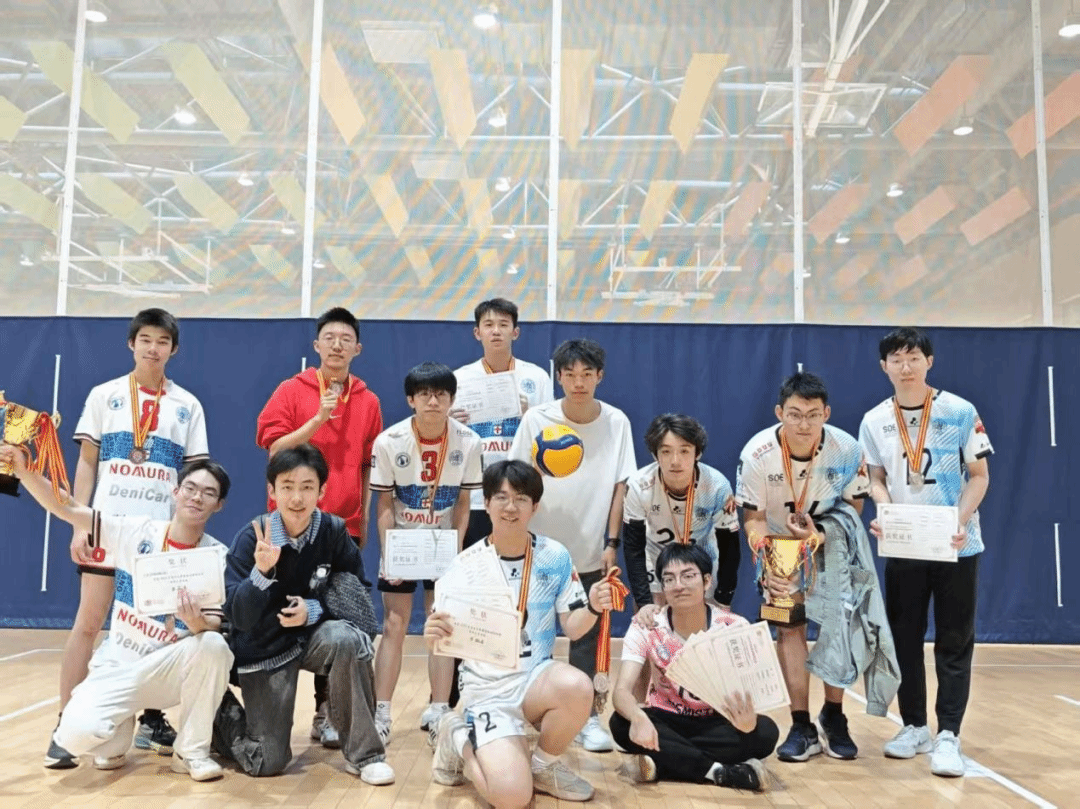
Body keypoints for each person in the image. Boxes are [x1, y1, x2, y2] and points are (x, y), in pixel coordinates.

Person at [1, 444, 232, 781]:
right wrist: (24, 472)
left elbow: (212, 624)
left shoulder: (216, 556)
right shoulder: (135, 532)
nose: (197, 497)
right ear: (176, 491)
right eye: (191, 488)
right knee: (77, 737)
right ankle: (118, 727)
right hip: (119, 667)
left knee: (213, 646)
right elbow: (68, 507)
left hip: (166, 670)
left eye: (208, 493)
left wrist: (197, 622)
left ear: (219, 505)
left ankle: (191, 752)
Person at [47, 308, 210, 770]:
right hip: (107, 529)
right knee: (88, 622)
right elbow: (86, 462)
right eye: (145, 340)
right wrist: (80, 524)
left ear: (173, 349)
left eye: (162, 341)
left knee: (159, 631)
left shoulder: (188, 405)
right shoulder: (106, 395)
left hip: (158, 540)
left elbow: (194, 476)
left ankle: (151, 720)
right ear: (131, 344)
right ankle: (64, 727)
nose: (153, 348)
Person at [425, 460, 615, 806]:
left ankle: (543, 766)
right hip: (488, 692)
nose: (510, 507)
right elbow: (445, 639)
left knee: (577, 686)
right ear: (486, 503)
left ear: (535, 507)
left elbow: (573, 629)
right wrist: (433, 634)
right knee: (512, 798)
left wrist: (592, 607)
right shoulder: (465, 565)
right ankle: (457, 739)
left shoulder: (554, 557)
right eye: (501, 497)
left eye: (521, 499)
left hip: (534, 681)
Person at [213, 444, 393, 784]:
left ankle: (366, 756)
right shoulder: (251, 538)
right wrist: (261, 573)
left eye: (307, 487)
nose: (297, 498)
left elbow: (357, 592)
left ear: (321, 491)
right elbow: (238, 617)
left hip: (313, 638)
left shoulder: (333, 532)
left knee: (348, 639)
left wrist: (314, 610)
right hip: (264, 648)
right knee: (266, 761)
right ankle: (215, 710)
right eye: (287, 487)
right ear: (272, 491)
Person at [859, 327, 992, 778]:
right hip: (905, 544)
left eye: (913, 357)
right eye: (896, 359)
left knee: (954, 640)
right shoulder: (874, 419)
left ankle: (948, 734)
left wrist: (959, 519)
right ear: (884, 367)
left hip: (956, 544)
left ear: (929, 361)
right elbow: (875, 478)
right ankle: (914, 725)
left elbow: (979, 475)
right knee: (905, 638)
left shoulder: (960, 410)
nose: (906, 366)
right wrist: (885, 510)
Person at [255, 306, 382, 747]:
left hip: (342, 529)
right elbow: (275, 449)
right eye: (329, 337)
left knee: (339, 614)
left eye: (346, 339)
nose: (337, 345)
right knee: (285, 608)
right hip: (290, 525)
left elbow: (366, 467)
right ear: (316, 345)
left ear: (357, 348)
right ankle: (272, 707)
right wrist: (317, 421)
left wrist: (362, 519)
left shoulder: (368, 400)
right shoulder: (292, 390)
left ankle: (328, 711)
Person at [507, 338, 636, 753]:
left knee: (588, 636)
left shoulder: (616, 422)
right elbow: (517, 481)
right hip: (538, 549)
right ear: (558, 377)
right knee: (528, 630)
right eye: (570, 374)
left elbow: (620, 487)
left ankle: (588, 719)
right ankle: (520, 707)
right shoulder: (537, 420)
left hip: (590, 548)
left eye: (587, 374)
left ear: (600, 377)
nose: (578, 382)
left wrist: (611, 541)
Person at [735, 372, 869, 762]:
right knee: (789, 628)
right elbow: (753, 518)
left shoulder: (847, 449)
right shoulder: (757, 453)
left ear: (826, 413)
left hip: (830, 540)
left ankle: (835, 715)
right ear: (780, 413)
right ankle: (801, 724)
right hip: (780, 545)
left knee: (836, 627)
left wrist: (818, 536)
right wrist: (768, 559)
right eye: (795, 414)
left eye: (812, 415)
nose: (804, 424)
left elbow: (854, 509)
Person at [447, 297, 553, 710]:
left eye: (503, 324)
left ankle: (522, 680)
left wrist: (531, 417)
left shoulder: (535, 378)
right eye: (488, 324)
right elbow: (447, 440)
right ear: (477, 333)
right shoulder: (460, 379)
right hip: (476, 499)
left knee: (519, 589)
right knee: (473, 590)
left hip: (518, 500)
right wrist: (452, 423)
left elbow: (549, 437)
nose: (496, 330)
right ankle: (460, 686)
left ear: (516, 331)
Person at [369, 362, 482, 743]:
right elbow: (384, 503)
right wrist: (388, 553)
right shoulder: (389, 441)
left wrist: (456, 551)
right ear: (411, 400)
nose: (433, 401)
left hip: (441, 546)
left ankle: (439, 710)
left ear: (451, 399)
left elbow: (463, 502)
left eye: (441, 394)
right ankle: (381, 711)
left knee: (441, 625)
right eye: (425, 394)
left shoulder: (469, 441)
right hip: (402, 543)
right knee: (394, 624)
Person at [610, 543, 777, 791]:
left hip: (717, 722)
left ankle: (666, 762)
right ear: (662, 587)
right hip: (667, 720)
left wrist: (748, 723)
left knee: (766, 732)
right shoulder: (647, 625)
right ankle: (720, 772)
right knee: (620, 723)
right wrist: (637, 716)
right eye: (669, 579)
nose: (678, 585)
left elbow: (752, 693)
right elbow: (621, 692)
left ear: (707, 581)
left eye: (688, 576)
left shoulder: (733, 626)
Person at [623, 413, 740, 612]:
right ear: (655, 455)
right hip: (656, 556)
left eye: (684, 451)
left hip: (701, 557)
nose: (675, 461)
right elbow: (633, 547)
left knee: (703, 622)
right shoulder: (638, 485)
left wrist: (724, 599)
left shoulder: (717, 486)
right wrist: (644, 603)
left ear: (697, 453)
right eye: (666, 452)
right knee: (652, 618)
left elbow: (730, 547)